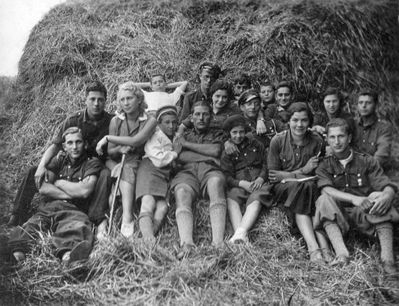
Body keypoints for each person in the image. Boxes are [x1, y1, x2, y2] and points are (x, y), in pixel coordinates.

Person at [7, 81, 113, 235]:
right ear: (85, 100)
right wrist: (42, 165)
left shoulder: (112, 121)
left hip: (96, 164)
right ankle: (17, 215)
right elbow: (56, 145)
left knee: (105, 175)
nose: (96, 103)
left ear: (105, 101)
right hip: (72, 161)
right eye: (92, 99)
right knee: (33, 172)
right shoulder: (73, 120)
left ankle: (96, 217)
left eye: (100, 100)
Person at [314, 118, 399, 273]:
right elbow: (326, 189)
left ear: (350, 138)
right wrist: (354, 199)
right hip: (339, 218)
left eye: (341, 136)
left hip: (365, 216)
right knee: (323, 200)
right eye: (332, 137)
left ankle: (388, 261)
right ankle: (342, 254)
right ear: (327, 139)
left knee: (378, 196)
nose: (337, 141)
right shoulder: (324, 164)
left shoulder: (366, 160)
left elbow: (384, 184)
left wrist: (388, 194)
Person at [7, 127, 103, 264]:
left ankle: (69, 257)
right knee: (31, 226)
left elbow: (84, 191)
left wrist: (58, 182)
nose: (74, 147)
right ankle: (17, 255)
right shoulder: (59, 161)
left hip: (74, 210)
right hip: (50, 207)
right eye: (70, 143)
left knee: (76, 227)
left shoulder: (91, 163)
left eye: (78, 142)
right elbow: (43, 188)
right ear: (64, 146)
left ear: (85, 144)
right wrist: (72, 192)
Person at [96, 82, 157, 238]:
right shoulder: (116, 121)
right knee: (124, 171)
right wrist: (120, 149)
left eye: (129, 98)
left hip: (142, 161)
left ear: (139, 99)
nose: (126, 103)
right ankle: (116, 221)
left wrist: (108, 137)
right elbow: (110, 151)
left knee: (128, 170)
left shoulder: (150, 120)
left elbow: (137, 141)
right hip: (118, 162)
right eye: (122, 100)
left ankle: (127, 218)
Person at [268, 102, 327, 262]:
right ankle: (314, 247)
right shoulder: (278, 140)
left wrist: (288, 175)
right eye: (295, 120)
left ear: (310, 122)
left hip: (308, 187)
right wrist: (303, 171)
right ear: (288, 121)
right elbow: (274, 176)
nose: (299, 125)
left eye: (304, 120)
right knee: (303, 185)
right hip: (283, 189)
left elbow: (319, 173)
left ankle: (315, 247)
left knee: (306, 186)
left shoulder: (317, 141)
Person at [171, 101, 227, 258]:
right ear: (191, 117)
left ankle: (218, 242)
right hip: (187, 172)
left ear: (211, 116)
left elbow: (216, 150)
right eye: (197, 114)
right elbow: (180, 156)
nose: (201, 118)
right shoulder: (184, 134)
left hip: (210, 171)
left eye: (205, 114)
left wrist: (187, 145)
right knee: (181, 191)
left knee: (216, 183)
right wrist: (207, 155)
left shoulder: (218, 134)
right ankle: (187, 243)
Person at [221, 115, 273, 243]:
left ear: (246, 132)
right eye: (234, 132)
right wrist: (240, 183)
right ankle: (240, 235)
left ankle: (241, 232)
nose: (238, 136)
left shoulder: (256, 144)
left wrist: (261, 178)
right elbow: (227, 176)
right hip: (241, 184)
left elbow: (266, 164)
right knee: (231, 197)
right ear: (229, 133)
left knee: (257, 197)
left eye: (241, 132)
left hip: (258, 182)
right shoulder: (227, 152)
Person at [135, 105, 181, 241]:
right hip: (150, 169)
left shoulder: (174, 137)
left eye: (174, 122)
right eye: (167, 122)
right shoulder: (155, 136)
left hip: (164, 174)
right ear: (159, 124)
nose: (171, 126)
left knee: (162, 207)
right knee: (148, 202)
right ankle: (149, 240)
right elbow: (159, 160)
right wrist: (175, 153)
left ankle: (147, 238)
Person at [353, 89, 392, 169]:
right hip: (352, 170)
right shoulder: (352, 125)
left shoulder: (383, 128)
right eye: (360, 103)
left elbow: (382, 155)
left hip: (374, 171)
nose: (364, 106)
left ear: (375, 105)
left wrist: (363, 169)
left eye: (368, 103)